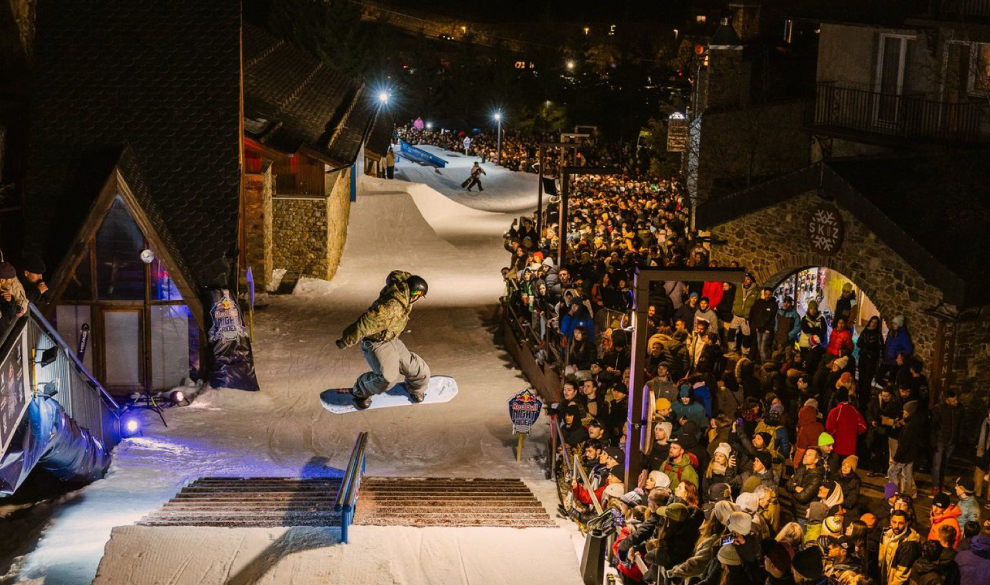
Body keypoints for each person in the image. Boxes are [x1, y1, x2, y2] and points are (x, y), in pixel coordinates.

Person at [335, 271, 431, 409]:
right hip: (376, 343)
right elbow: (366, 323)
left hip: (391, 339)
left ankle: (416, 389)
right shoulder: (391, 306)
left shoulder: (404, 296)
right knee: (387, 379)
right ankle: (360, 391)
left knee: (420, 372)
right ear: (413, 293)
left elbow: (397, 274)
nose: (418, 299)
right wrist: (346, 340)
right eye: (418, 296)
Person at [932, 391, 965, 495]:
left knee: (944, 464)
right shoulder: (939, 409)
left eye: (956, 399)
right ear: (947, 401)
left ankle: (941, 484)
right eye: (953, 400)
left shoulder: (959, 408)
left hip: (951, 440)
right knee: (937, 464)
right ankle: (935, 487)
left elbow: (961, 423)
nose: (956, 402)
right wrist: (933, 440)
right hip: (940, 440)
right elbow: (933, 426)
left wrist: (959, 437)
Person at [880, 510, 923, 585]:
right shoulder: (886, 533)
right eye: (894, 522)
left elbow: (901, 576)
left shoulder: (909, 545)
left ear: (906, 523)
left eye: (900, 523)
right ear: (890, 521)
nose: (896, 526)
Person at [890, 401, 923, 498]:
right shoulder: (915, 422)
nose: (903, 414)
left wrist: (896, 459)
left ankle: (893, 495)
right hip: (911, 455)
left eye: (905, 412)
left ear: (910, 412)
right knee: (907, 475)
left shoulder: (910, 426)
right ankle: (906, 496)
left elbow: (904, 444)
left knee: (891, 472)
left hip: (904, 456)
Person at [825, 389, 867, 458]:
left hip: (836, 447)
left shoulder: (834, 412)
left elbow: (829, 429)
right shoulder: (854, 410)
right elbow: (863, 427)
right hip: (851, 448)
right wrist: (854, 433)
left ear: (836, 400)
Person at [749, 286, 778, 363]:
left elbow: (773, 318)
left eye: (769, 294)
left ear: (772, 295)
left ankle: (765, 365)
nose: (767, 296)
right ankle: (765, 363)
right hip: (759, 329)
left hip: (767, 330)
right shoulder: (760, 303)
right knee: (759, 348)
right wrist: (756, 326)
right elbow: (756, 315)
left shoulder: (774, 305)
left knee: (763, 349)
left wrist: (769, 329)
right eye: (766, 294)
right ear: (764, 294)